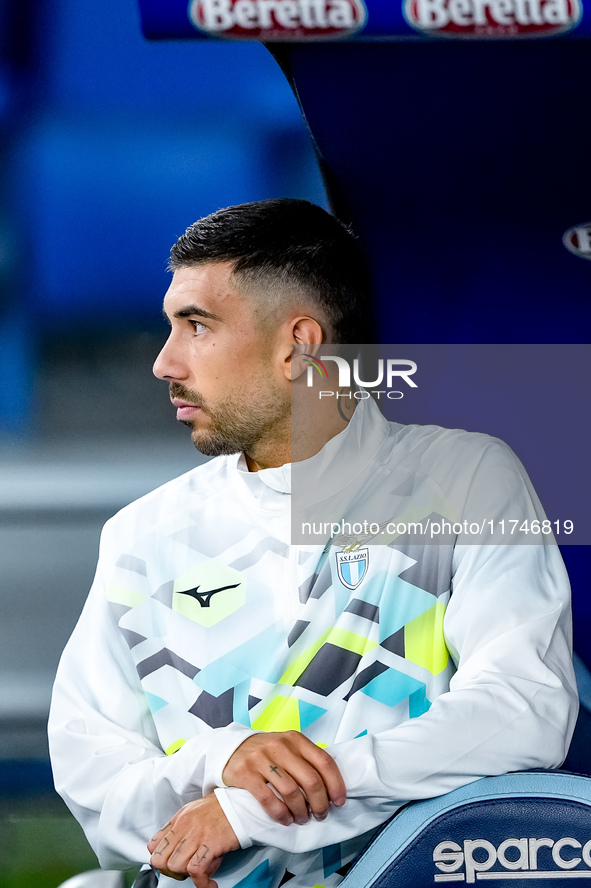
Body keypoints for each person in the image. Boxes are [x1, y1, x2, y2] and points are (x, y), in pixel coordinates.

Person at [48, 199, 578, 888]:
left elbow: (523, 711)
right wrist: (218, 761)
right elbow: (96, 789)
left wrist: (249, 810)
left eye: (196, 326)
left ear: (299, 344)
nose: (163, 362)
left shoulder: (464, 477)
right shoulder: (141, 534)